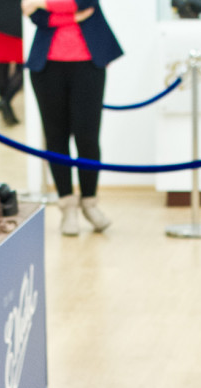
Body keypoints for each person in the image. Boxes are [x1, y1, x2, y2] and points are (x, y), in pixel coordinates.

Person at [22, 0, 122, 236]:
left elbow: (85, 3)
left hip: (89, 64)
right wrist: (71, 17)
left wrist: (43, 3)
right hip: (46, 67)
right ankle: (67, 206)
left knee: (87, 137)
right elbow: (36, 16)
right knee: (56, 137)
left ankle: (90, 203)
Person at [0, 0, 25, 126]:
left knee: (2, 64)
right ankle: (6, 101)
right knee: (22, 67)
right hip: (15, 19)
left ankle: (4, 102)